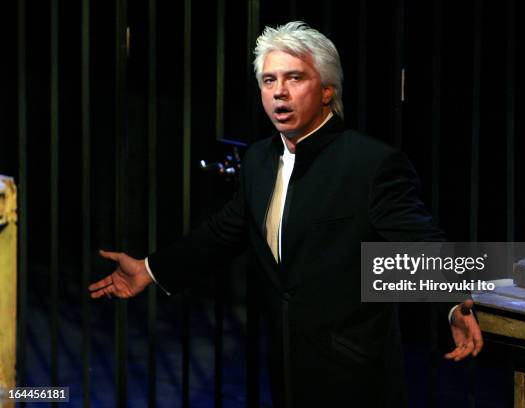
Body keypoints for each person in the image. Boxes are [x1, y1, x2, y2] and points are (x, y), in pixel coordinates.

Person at [89, 21, 483, 407]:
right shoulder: (259, 160)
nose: (279, 93)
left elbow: (418, 241)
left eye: (294, 79)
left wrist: (452, 302)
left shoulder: (370, 164)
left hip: (355, 378)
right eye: (269, 81)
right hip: (286, 370)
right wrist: (149, 269)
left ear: (327, 90)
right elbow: (223, 232)